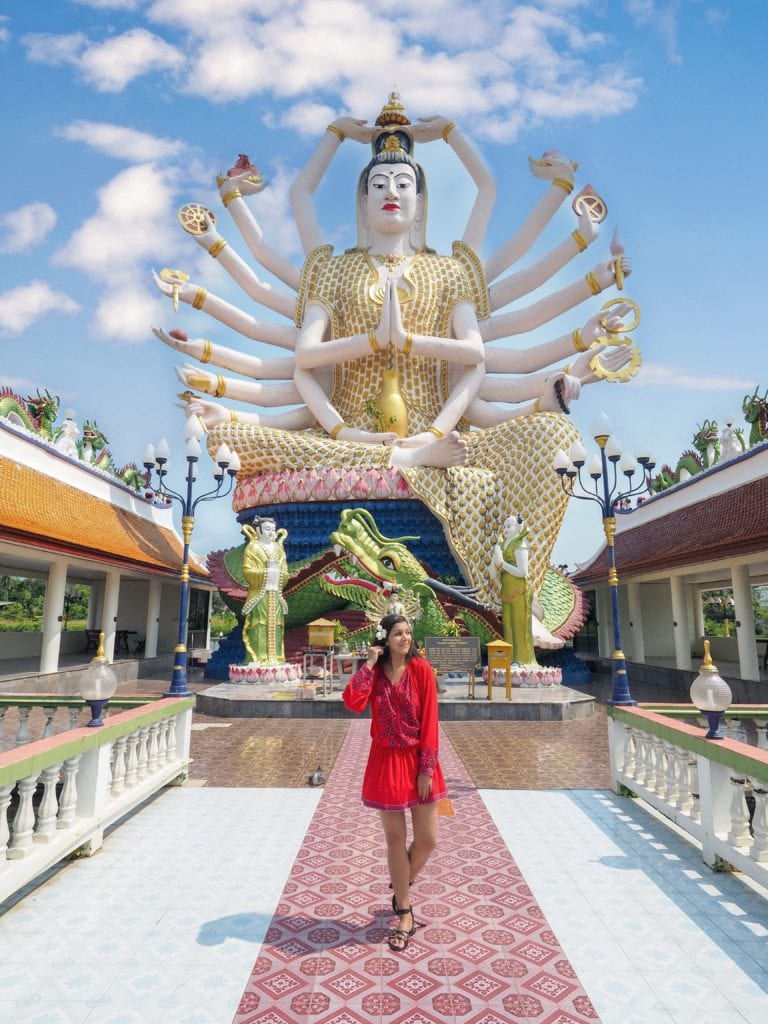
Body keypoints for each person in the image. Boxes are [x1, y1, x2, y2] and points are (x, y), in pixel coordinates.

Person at [343, 613, 447, 953]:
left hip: (419, 760)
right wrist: (368, 665)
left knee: (428, 840)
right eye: (398, 633)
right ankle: (404, 912)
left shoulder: (422, 670)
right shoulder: (374, 674)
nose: (405, 638)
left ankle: (402, 882)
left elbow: (430, 720)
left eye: (408, 632)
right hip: (386, 761)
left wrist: (426, 769)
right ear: (384, 639)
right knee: (395, 840)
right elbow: (352, 702)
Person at [240, 517, 288, 665]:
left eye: (273, 529)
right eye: (267, 529)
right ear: (258, 530)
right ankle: (258, 658)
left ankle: (277, 658)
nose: (271, 533)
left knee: (277, 626)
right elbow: (247, 571)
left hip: (276, 595)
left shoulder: (279, 548)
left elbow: (285, 572)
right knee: (258, 625)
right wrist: (267, 573)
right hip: (260, 594)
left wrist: (279, 574)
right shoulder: (253, 547)